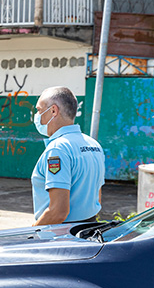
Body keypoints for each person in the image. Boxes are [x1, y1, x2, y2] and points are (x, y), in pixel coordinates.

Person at [31, 86, 105, 225]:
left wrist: (33, 233)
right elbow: (96, 199)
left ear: (53, 110)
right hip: (89, 228)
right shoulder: (93, 145)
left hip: (60, 232)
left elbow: (58, 212)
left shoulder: (58, 149)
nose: (37, 115)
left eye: (39, 110)